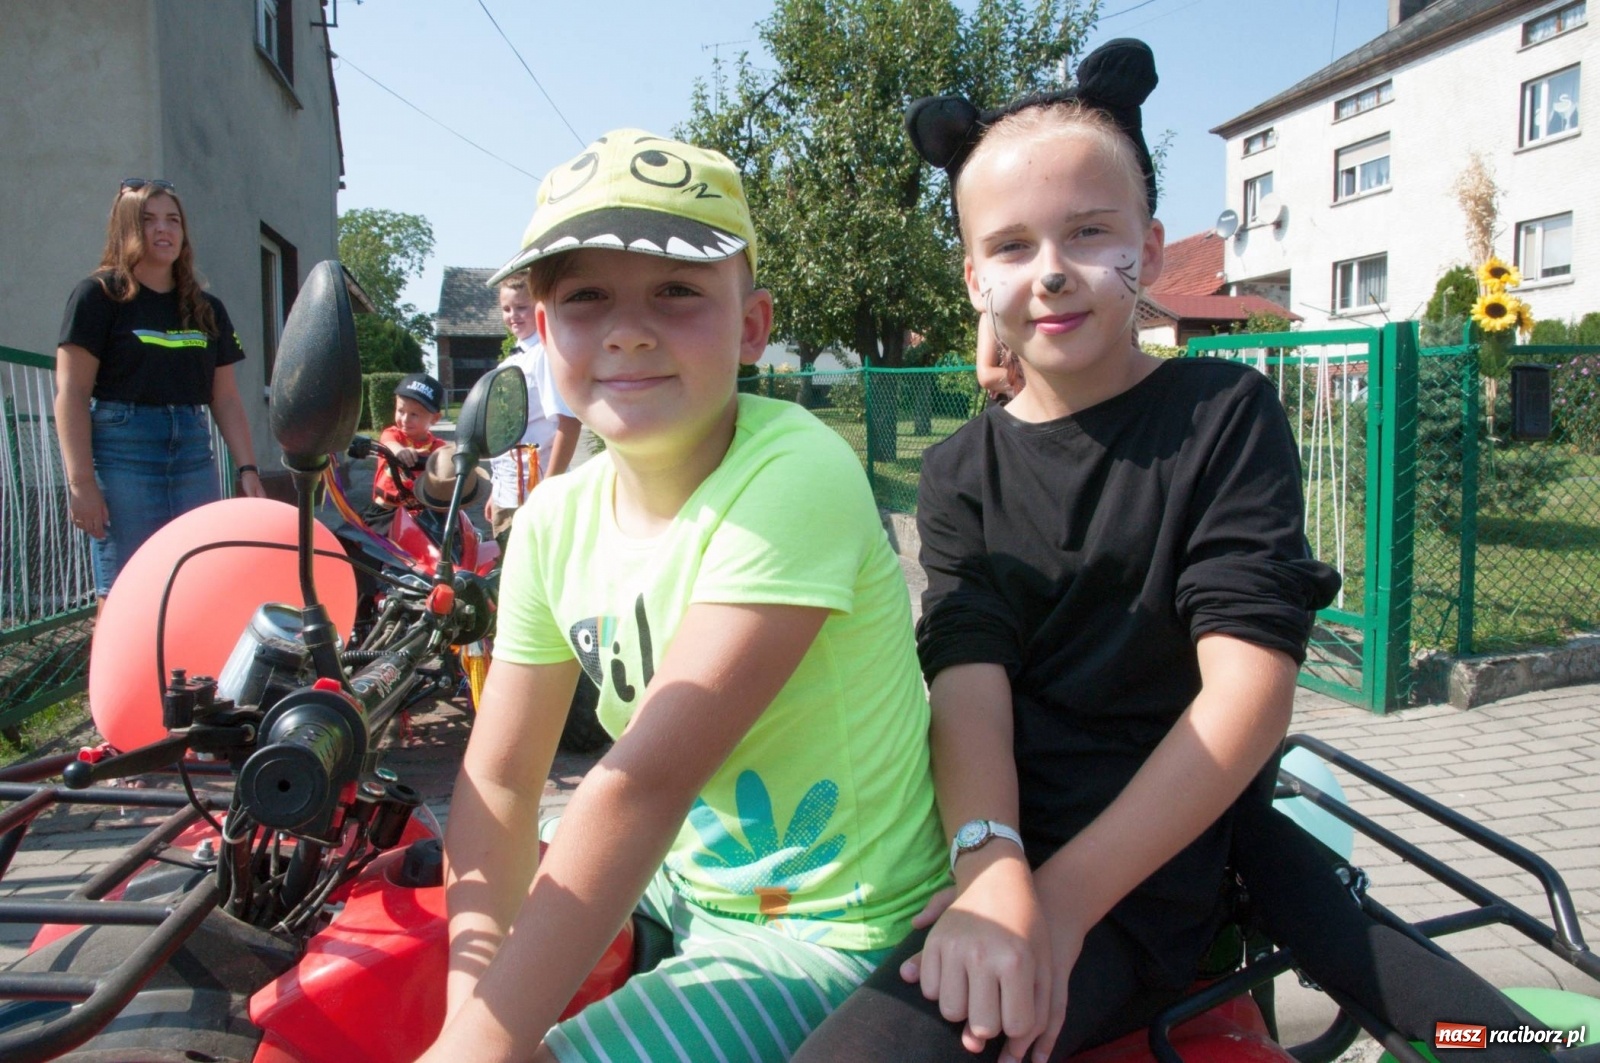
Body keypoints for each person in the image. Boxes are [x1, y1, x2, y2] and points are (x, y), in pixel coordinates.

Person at [796, 38, 1549, 1063]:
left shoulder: (1221, 414)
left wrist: (1058, 903)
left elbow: (1245, 698)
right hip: (996, 846)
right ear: (973, 278)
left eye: (1088, 232)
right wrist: (992, 867)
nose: (1051, 269)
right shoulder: (959, 470)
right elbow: (967, 679)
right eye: (1010, 246)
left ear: (1148, 251)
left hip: (1145, 872)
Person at [415, 129, 948, 1063]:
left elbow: (643, 783)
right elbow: (500, 782)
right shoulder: (550, 524)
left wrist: (481, 1049)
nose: (628, 329)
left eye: (676, 290)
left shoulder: (796, 472)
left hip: (830, 929)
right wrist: (471, 1005)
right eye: (585, 296)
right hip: (682, 884)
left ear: (752, 324)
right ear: (541, 329)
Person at [55, 178, 266, 602]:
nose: (163, 229)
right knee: (126, 594)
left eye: (173, 220)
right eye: (148, 220)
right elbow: (72, 393)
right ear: (126, 229)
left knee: (197, 586)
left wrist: (248, 470)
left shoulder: (207, 308)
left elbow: (225, 398)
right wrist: (81, 483)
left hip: (193, 453)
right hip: (123, 452)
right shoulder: (98, 296)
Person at [485, 272, 581, 542]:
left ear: (539, 308)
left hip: (534, 493)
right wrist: (496, 490)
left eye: (521, 307)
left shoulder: (544, 355)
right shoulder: (510, 362)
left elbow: (569, 423)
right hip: (507, 493)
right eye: (506, 309)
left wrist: (547, 491)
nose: (513, 315)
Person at [365, 372, 447, 537]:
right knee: (373, 544)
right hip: (386, 510)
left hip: (423, 513)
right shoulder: (393, 435)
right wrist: (400, 451)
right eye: (400, 411)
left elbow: (447, 460)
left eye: (414, 414)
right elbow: (389, 443)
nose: (405, 419)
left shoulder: (437, 446)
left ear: (435, 418)